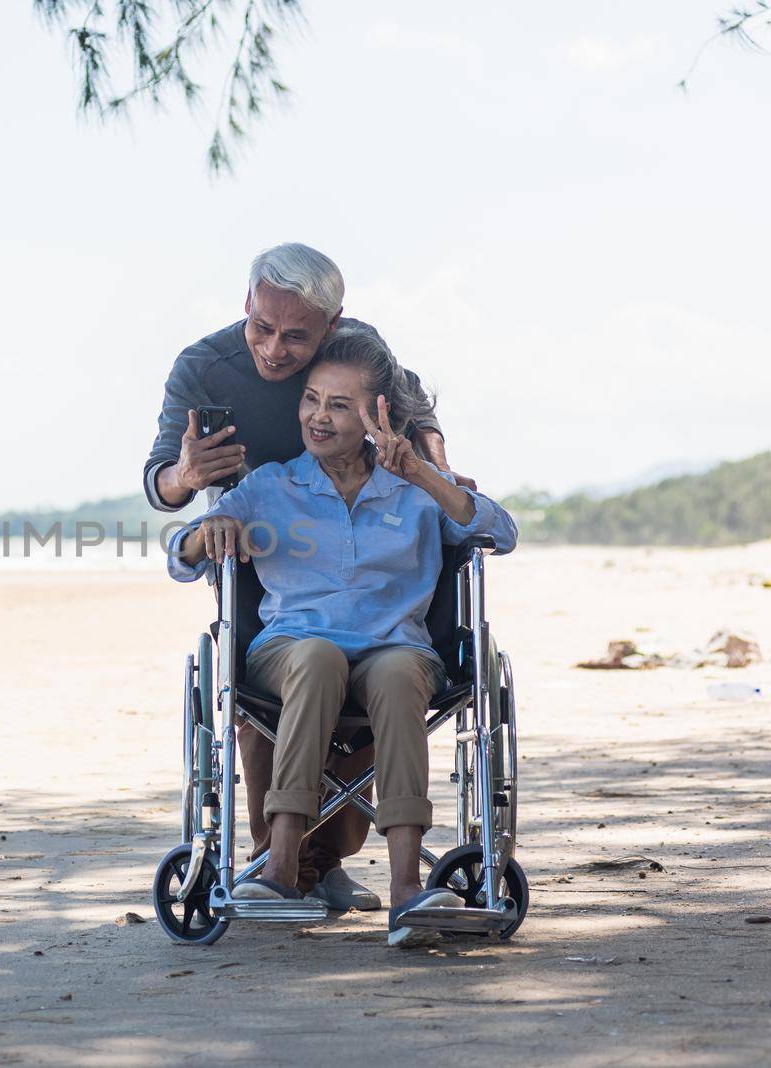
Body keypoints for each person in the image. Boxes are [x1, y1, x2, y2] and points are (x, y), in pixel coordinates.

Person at [144, 242, 472, 912]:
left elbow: (413, 406)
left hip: (375, 551)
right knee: (291, 687)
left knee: (375, 694)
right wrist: (190, 480)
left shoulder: (357, 351)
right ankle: (280, 864)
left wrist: (433, 469)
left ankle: (329, 863)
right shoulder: (206, 369)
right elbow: (163, 490)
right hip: (266, 549)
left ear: (333, 324)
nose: (272, 350)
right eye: (261, 328)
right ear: (245, 304)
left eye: (295, 336)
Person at [166, 328, 518, 946]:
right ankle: (280, 868)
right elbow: (179, 555)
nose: (317, 417)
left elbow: (501, 531)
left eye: (338, 405)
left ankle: (409, 888)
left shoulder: (414, 489)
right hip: (291, 651)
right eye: (310, 400)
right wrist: (211, 525)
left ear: (380, 414)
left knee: (400, 671)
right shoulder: (272, 485)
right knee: (319, 656)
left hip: (395, 649)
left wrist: (426, 474)